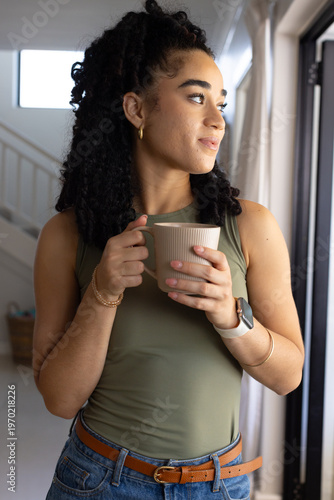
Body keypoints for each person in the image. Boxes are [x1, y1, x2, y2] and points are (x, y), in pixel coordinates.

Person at [33, 1, 304, 498]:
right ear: (137, 108)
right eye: (197, 98)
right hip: (98, 480)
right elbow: (58, 399)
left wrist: (230, 314)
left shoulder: (250, 225)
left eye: (221, 102)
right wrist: (102, 293)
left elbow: (288, 376)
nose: (218, 119)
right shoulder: (67, 235)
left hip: (218, 484)